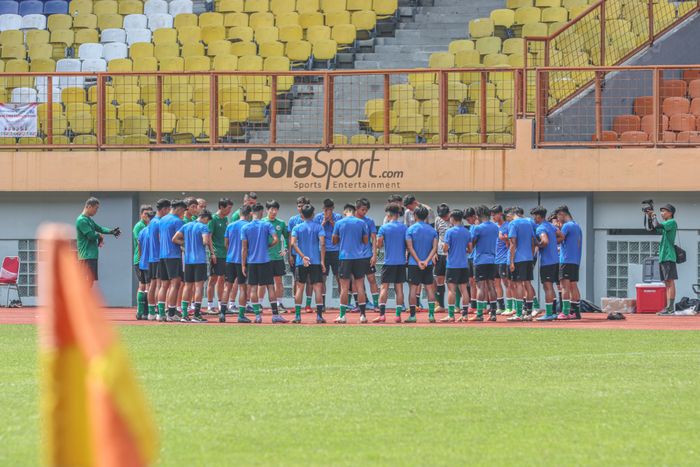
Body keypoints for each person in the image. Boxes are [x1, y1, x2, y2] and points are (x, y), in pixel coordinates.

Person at [241, 203, 286, 324]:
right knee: (270, 287)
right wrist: (268, 246)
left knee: (253, 288)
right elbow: (276, 239)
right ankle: (275, 315)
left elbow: (244, 248)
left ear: (251, 213)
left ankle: (257, 316)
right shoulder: (267, 225)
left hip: (252, 261)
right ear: (261, 212)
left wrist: (243, 264)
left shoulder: (245, 227)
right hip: (265, 260)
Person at [173, 210, 215, 323]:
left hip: (188, 261)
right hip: (199, 260)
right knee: (198, 287)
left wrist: (186, 245)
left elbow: (175, 238)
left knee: (187, 286)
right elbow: (205, 241)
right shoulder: (203, 227)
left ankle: (184, 315)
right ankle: (196, 314)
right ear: (205, 218)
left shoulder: (186, 226)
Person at [332, 203, 370, 323]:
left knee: (344, 287)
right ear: (354, 211)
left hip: (345, 257)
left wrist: (343, 238)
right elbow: (365, 241)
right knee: (360, 286)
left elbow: (334, 241)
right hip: (359, 257)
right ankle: (363, 315)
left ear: (345, 212)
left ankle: (342, 316)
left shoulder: (339, 223)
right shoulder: (362, 223)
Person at [290, 204, 326, 324]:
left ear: (302, 215)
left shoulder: (297, 228)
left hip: (301, 262)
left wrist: (302, 256)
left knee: (300, 288)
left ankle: (298, 316)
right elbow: (322, 244)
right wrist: (322, 261)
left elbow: (293, 244)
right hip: (315, 261)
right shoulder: (319, 227)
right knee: (317, 288)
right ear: (313, 214)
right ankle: (319, 316)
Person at [75, 197, 121, 287]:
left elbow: (99, 228)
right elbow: (91, 236)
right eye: (96, 208)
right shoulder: (81, 220)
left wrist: (111, 231)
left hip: (92, 256)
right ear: (88, 206)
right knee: (85, 282)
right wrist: (99, 235)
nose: (96, 211)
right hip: (86, 256)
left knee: (90, 282)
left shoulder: (89, 220)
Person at [375, 204, 408, 323]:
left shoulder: (384, 228)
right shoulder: (404, 228)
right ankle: (398, 316)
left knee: (384, 287)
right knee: (399, 289)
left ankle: (382, 315)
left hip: (388, 262)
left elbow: (379, 244)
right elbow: (408, 244)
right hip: (400, 262)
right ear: (398, 214)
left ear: (389, 215)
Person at [406, 206, 438, 323]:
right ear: (426, 216)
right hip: (428, 264)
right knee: (429, 288)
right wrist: (426, 260)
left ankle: (413, 316)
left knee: (413, 289)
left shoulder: (410, 230)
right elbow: (434, 248)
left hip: (414, 263)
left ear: (415, 216)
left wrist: (419, 261)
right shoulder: (432, 230)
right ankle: (431, 315)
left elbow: (410, 247)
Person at [221, 205, 252, 323]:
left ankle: (222, 313)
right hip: (242, 261)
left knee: (227, 286)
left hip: (230, 260)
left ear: (239, 213)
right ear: (249, 214)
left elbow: (226, 243)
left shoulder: (230, 225)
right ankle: (241, 315)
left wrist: (231, 252)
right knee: (243, 287)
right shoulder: (248, 226)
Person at [157, 200, 186, 322]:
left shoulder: (162, 219)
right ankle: (171, 313)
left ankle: (161, 314)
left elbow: (160, 237)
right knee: (175, 284)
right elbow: (178, 239)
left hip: (162, 255)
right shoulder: (178, 221)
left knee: (164, 285)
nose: (183, 214)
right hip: (173, 255)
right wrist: (186, 244)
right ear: (179, 209)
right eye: (183, 211)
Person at [648, 204, 679, 315]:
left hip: (668, 256)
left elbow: (657, 225)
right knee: (667, 283)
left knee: (670, 282)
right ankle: (668, 307)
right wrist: (649, 217)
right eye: (660, 212)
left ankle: (670, 308)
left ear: (670, 213)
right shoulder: (666, 225)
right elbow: (652, 228)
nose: (662, 213)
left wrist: (654, 215)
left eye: (664, 211)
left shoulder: (671, 222)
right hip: (664, 256)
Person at [470, 205, 499, 322]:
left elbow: (472, 243)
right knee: (491, 286)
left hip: (481, 259)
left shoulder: (478, 228)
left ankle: (480, 314)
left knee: (480, 287)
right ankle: (493, 313)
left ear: (478, 215)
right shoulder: (495, 227)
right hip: (492, 259)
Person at [441, 209, 470, 323]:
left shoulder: (450, 232)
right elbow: (470, 249)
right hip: (464, 264)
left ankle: (451, 315)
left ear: (452, 218)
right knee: (464, 290)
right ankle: (465, 314)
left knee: (451, 290)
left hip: (452, 264)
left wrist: (444, 246)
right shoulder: (467, 232)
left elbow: (445, 248)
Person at [507, 206, 535, 322]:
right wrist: (531, 256)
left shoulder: (513, 224)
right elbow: (533, 241)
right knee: (527, 284)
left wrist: (512, 261)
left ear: (511, 214)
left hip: (518, 258)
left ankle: (518, 313)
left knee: (518, 284)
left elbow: (513, 244)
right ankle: (528, 312)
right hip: (528, 257)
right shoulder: (529, 222)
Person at [532, 206, 560, 321]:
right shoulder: (551, 226)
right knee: (551, 287)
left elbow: (545, 241)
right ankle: (552, 312)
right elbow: (561, 236)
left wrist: (538, 244)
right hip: (555, 261)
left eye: (534, 216)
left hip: (547, 262)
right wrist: (554, 244)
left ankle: (548, 314)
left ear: (538, 216)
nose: (534, 218)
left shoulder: (540, 228)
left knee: (547, 287)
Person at [556, 205, 583, 320]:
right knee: (573, 285)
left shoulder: (566, 226)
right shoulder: (577, 226)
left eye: (558, 217)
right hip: (575, 260)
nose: (558, 220)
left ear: (562, 214)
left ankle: (566, 312)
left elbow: (560, 239)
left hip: (566, 259)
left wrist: (554, 230)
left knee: (564, 286)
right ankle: (576, 312)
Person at [206, 198, 232, 314]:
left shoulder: (226, 219)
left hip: (225, 254)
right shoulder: (213, 219)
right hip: (216, 254)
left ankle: (222, 305)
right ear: (221, 207)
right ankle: (210, 305)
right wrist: (212, 253)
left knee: (222, 279)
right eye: (228, 208)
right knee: (213, 279)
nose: (230, 211)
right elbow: (209, 237)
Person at [314, 198, 342, 307]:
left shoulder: (338, 217)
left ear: (333, 209)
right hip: (323, 251)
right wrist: (324, 222)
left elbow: (340, 231)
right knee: (322, 278)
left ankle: (342, 304)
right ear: (323, 209)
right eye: (326, 209)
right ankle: (323, 304)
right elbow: (315, 231)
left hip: (336, 250)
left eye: (330, 209)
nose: (328, 212)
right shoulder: (318, 217)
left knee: (339, 277)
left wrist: (332, 222)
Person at [145, 199, 170, 321]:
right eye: (169, 209)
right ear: (164, 209)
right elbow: (161, 239)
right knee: (160, 285)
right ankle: (160, 313)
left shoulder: (152, 222)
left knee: (153, 285)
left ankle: (151, 312)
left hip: (152, 258)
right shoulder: (159, 222)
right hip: (159, 257)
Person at [288, 196, 314, 312]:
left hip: (309, 254)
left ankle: (308, 305)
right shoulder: (293, 220)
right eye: (298, 206)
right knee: (297, 281)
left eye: (302, 206)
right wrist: (289, 255)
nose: (300, 208)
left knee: (309, 280)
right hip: (296, 255)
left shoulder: (312, 220)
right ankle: (296, 305)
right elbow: (290, 239)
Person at [264, 200, 289, 313]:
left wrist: (286, 249)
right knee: (263, 282)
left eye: (276, 209)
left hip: (278, 258)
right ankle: (259, 303)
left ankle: (279, 303)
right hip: (265, 258)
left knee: (278, 282)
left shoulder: (281, 223)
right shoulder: (262, 222)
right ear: (267, 210)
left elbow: (287, 237)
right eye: (271, 209)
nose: (274, 212)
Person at [355, 198, 379, 310]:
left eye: (366, 210)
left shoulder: (369, 221)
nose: (364, 212)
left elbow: (374, 238)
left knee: (372, 279)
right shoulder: (350, 221)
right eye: (363, 209)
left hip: (367, 255)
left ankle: (376, 305)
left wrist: (374, 254)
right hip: (354, 256)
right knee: (356, 281)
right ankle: (359, 305)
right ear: (357, 208)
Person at [132, 204, 153, 314]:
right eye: (145, 214)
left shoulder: (147, 226)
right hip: (141, 259)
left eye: (149, 214)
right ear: (141, 214)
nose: (147, 216)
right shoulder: (139, 227)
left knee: (145, 285)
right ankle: (142, 311)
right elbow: (140, 242)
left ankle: (144, 311)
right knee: (144, 284)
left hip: (145, 259)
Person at [492, 205, 511, 315]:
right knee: (496, 283)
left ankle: (510, 306)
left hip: (504, 259)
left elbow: (511, 243)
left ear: (500, 214)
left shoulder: (507, 226)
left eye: (494, 215)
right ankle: (501, 306)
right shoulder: (494, 227)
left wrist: (505, 239)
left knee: (507, 283)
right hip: (495, 259)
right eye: (492, 215)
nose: (493, 217)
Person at [434, 203, 451, 314]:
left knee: (452, 281)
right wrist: (434, 252)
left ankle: (456, 306)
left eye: (445, 215)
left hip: (452, 254)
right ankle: (440, 305)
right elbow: (435, 235)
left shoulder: (455, 218)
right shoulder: (437, 220)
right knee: (439, 279)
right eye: (441, 216)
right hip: (440, 253)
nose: (444, 218)